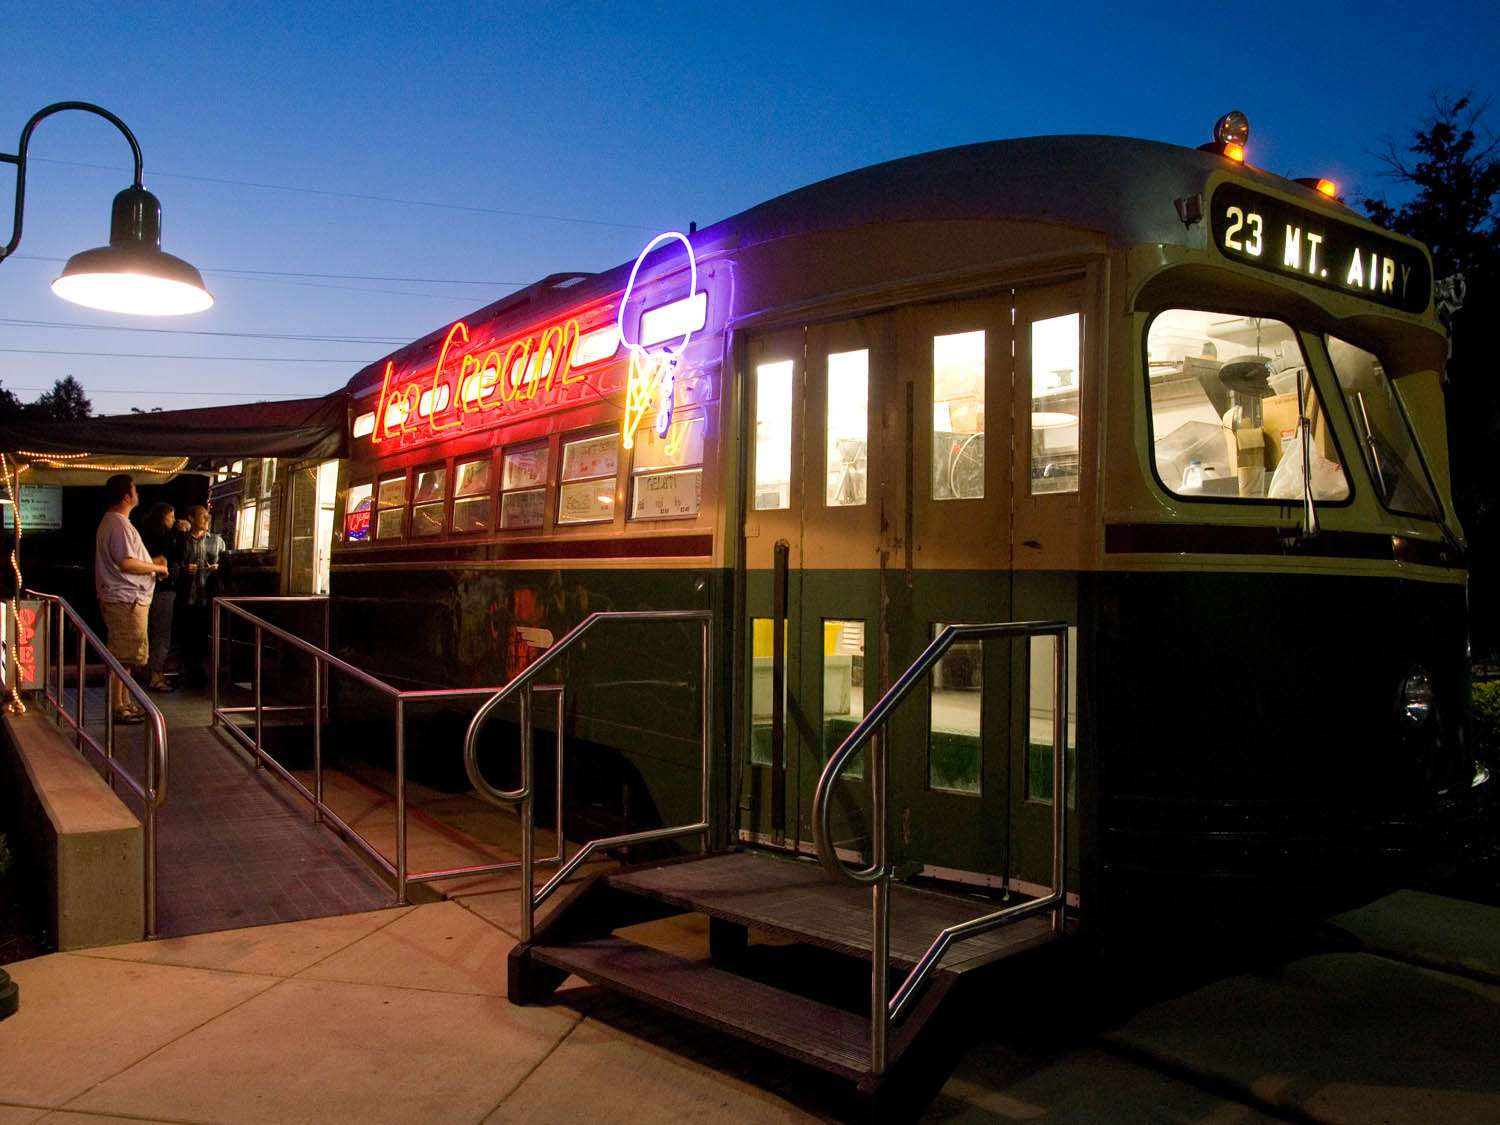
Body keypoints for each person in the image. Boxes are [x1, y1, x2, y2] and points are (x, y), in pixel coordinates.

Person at [94, 475, 168, 723]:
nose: (138, 494)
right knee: (123, 656)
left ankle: (123, 702)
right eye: (135, 490)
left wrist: (151, 562)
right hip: (126, 600)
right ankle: (118, 706)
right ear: (126, 496)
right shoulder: (118, 524)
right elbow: (126, 562)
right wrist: (156, 569)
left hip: (127, 599)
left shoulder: (115, 522)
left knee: (128, 656)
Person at [175, 504, 225, 688]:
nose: (207, 518)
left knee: (203, 634)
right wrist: (183, 568)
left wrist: (218, 568)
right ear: (191, 518)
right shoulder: (182, 540)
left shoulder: (217, 541)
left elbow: (224, 564)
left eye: (208, 515)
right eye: (202, 515)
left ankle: (200, 672)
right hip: (187, 595)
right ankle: (187, 671)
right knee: (186, 634)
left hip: (208, 594)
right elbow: (173, 563)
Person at [140, 501, 182, 692]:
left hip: (151, 589)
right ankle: (156, 675)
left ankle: (149, 671)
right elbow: (176, 555)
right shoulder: (163, 536)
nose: (174, 520)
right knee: (161, 634)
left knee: (152, 632)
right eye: (171, 516)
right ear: (163, 516)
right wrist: (179, 534)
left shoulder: (147, 534)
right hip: (163, 589)